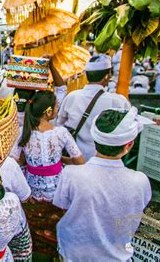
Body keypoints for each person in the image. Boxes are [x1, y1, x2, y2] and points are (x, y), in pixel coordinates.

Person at [53, 108, 152, 261]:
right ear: (128, 145)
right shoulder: (140, 181)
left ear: (95, 139)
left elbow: (62, 205)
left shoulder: (71, 174)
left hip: (73, 253)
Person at [10, 90, 85, 256]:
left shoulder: (23, 131)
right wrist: (60, 160)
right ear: (48, 112)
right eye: (56, 107)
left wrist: (27, 162)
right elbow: (80, 162)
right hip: (57, 190)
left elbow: (14, 162)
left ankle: (34, 251)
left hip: (31, 189)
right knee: (55, 225)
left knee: (33, 224)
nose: (57, 110)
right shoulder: (61, 133)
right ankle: (54, 253)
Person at [56, 55, 131, 161]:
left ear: (86, 75)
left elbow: (59, 124)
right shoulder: (118, 101)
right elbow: (128, 130)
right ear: (107, 76)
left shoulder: (72, 97)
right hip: (104, 160)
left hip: (73, 158)